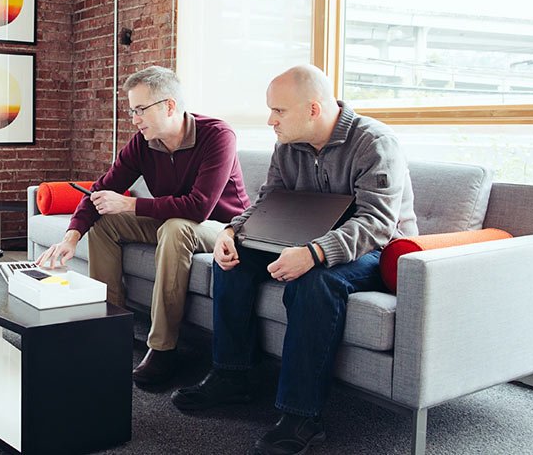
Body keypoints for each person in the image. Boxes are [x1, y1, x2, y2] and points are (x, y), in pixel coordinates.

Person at [171, 64, 418, 455]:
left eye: (279, 111)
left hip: (374, 250)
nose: (270, 120)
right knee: (232, 260)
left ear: (313, 109)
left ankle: (302, 416)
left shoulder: (374, 143)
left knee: (315, 281)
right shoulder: (288, 145)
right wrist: (232, 232)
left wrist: (315, 253)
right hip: (303, 238)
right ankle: (233, 375)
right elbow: (269, 200)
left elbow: (377, 224)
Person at [37, 65, 251, 386]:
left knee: (175, 227)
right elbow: (100, 191)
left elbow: (199, 206)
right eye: (132, 111)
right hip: (172, 221)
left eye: (140, 110)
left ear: (169, 106)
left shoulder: (218, 135)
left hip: (223, 228)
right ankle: (110, 325)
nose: (134, 119)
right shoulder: (143, 143)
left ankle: (163, 348)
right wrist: (72, 236)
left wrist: (130, 204)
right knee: (107, 222)